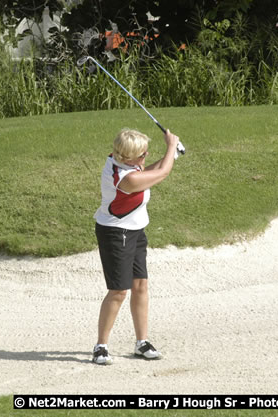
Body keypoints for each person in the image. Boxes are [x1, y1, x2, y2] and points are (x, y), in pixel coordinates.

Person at [92, 128, 180, 365]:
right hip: (115, 234)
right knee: (119, 291)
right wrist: (171, 147)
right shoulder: (125, 178)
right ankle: (101, 346)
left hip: (135, 230)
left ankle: (142, 342)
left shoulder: (123, 163)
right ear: (127, 157)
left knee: (140, 285)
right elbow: (162, 173)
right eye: (142, 155)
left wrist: (172, 155)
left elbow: (149, 170)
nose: (145, 157)